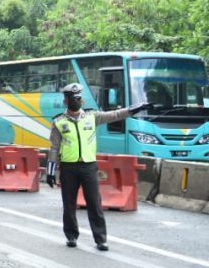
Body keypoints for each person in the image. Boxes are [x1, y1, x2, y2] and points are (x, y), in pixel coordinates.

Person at [46, 82, 151, 250]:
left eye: (78, 98)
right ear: (66, 101)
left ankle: (101, 239)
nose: (76, 101)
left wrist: (134, 109)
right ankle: (71, 236)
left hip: (89, 167)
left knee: (95, 203)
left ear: (82, 100)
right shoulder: (59, 122)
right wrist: (50, 171)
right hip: (68, 168)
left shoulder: (92, 117)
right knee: (69, 204)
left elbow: (115, 115)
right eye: (72, 99)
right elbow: (54, 148)